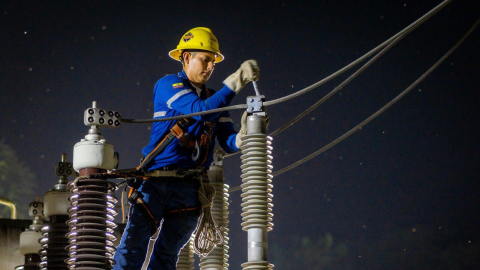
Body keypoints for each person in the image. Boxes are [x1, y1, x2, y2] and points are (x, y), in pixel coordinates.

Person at [113, 27, 259, 269]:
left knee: (166, 257)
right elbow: (199, 110)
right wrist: (235, 83)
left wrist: (243, 138)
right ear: (186, 57)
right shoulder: (169, 85)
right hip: (155, 183)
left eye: (213, 61)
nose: (210, 66)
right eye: (204, 59)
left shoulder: (216, 98)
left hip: (189, 189)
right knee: (130, 251)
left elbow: (227, 142)